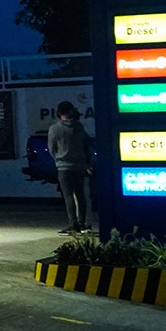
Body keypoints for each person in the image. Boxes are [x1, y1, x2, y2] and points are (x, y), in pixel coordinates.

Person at [48, 99, 95, 235]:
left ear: (59, 113)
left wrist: (58, 159)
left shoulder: (55, 129)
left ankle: (73, 224)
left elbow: (52, 149)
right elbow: (87, 146)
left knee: (68, 196)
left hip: (64, 167)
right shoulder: (79, 127)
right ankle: (82, 223)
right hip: (80, 166)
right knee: (80, 195)